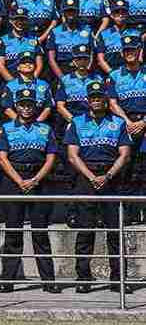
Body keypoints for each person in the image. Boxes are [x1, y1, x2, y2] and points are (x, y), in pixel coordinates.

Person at [65, 81, 134, 294]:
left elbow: (125, 154)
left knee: (115, 231)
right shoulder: (76, 122)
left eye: (100, 97)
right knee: (85, 230)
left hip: (111, 177)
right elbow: (72, 155)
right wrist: (92, 176)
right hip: (87, 178)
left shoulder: (118, 122)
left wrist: (108, 175)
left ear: (106, 100)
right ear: (88, 101)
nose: (96, 101)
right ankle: (83, 278)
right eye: (93, 98)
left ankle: (118, 280)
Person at [0, 89, 61, 294]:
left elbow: (51, 158)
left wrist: (34, 180)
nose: (26, 108)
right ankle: (8, 281)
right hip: (13, 182)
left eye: (30, 104)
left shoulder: (45, 129)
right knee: (13, 233)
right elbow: (1, 157)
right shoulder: (6, 128)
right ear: (16, 106)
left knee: (40, 233)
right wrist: (20, 180)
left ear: (35, 106)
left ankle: (49, 282)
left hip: (38, 181)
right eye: (22, 104)